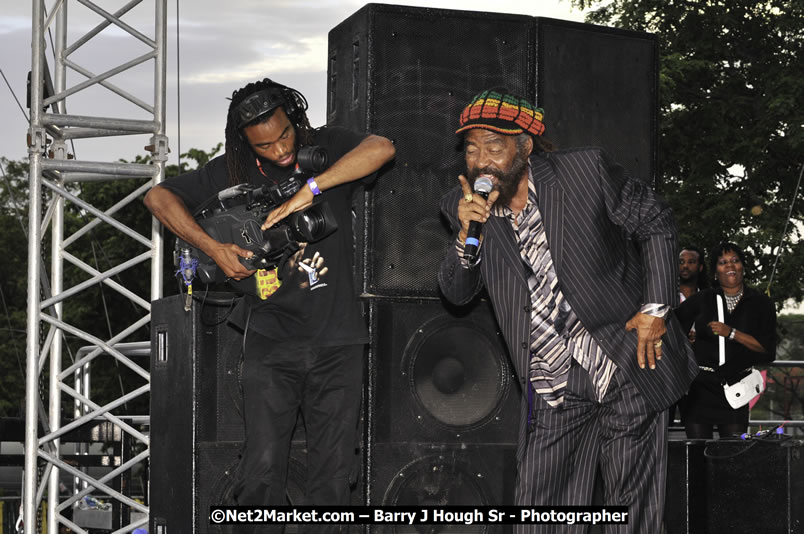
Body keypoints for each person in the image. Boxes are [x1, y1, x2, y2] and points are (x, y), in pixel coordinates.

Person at [438, 89, 697, 533]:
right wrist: (465, 236)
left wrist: (657, 309)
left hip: (628, 357)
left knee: (631, 511)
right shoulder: (464, 209)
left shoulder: (584, 171)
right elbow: (458, 293)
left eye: (495, 146)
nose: (481, 160)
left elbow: (655, 221)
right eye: (472, 148)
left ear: (525, 146)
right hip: (554, 379)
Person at [144, 78, 395, 531]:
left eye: (284, 135)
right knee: (259, 476)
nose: (279, 150)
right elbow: (157, 197)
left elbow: (382, 148)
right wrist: (214, 249)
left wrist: (311, 189)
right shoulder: (232, 170)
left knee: (334, 482)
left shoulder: (325, 145)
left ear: (294, 119)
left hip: (339, 342)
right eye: (264, 145)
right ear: (244, 142)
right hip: (271, 344)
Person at [675, 242, 776, 439]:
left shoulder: (760, 303)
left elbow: (767, 350)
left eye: (735, 261)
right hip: (699, 388)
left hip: (736, 387)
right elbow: (672, 327)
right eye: (722, 262)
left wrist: (731, 333)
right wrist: (685, 342)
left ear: (743, 267)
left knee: (731, 456)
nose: (729, 265)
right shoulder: (703, 299)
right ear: (715, 272)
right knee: (697, 454)